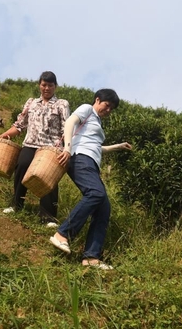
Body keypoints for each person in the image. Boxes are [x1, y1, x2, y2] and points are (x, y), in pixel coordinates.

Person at [49, 89, 132, 270]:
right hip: (79, 157)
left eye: (112, 109)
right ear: (97, 100)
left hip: (90, 161)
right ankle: (62, 235)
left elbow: (97, 147)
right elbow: (70, 122)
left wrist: (119, 146)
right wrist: (67, 149)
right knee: (95, 193)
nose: (108, 110)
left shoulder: (97, 122)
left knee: (103, 208)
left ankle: (91, 257)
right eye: (107, 105)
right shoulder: (87, 108)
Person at [0, 71, 70, 227]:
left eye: (50, 85)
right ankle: (16, 205)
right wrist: (3, 135)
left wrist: (66, 148)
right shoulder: (31, 103)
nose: (47, 88)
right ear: (39, 85)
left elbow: (66, 128)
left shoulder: (62, 104)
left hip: (50, 148)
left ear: (55, 87)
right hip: (30, 144)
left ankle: (48, 217)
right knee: (22, 165)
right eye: (44, 85)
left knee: (47, 176)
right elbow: (19, 125)